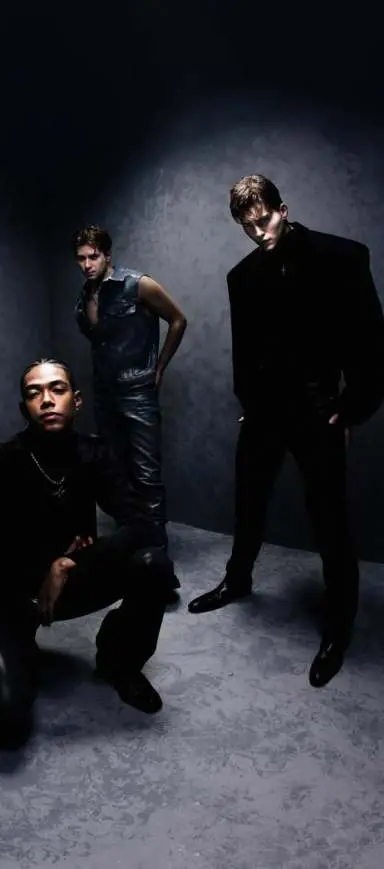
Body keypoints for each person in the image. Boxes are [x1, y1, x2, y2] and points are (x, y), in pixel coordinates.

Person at [188, 175, 384, 687]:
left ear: (283, 208)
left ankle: (338, 629)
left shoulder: (340, 257)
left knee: (330, 523)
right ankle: (237, 581)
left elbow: (370, 341)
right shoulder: (241, 276)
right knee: (249, 502)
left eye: (265, 219)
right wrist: (249, 404)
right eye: (246, 225)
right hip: (265, 414)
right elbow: (245, 350)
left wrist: (352, 407)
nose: (258, 231)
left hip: (320, 412)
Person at [0, 358, 174, 747]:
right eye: (34, 393)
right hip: (7, 596)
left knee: (153, 565)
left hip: (72, 582)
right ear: (24, 408)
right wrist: (38, 573)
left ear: (76, 401)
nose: (46, 400)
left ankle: (118, 662)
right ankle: (20, 646)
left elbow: (143, 525)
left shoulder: (95, 453)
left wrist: (67, 564)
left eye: (57, 389)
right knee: (5, 724)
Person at [72, 226, 187, 601]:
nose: (87, 265)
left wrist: (159, 368)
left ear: (107, 255)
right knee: (115, 476)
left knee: (146, 477)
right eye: (81, 259)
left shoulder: (138, 284)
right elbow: (100, 339)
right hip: (105, 394)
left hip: (137, 392)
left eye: (93, 257)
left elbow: (178, 320)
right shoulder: (86, 295)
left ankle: (157, 571)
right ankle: (130, 558)